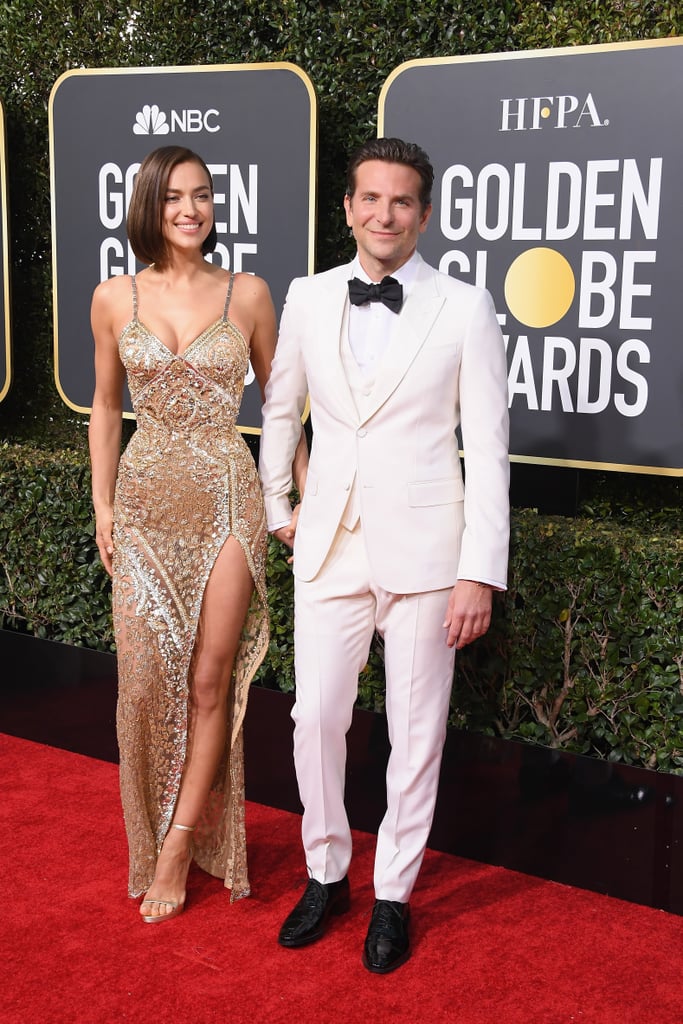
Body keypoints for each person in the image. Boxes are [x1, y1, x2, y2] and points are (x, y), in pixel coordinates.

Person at [258, 137, 510, 972]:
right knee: (313, 720)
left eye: (402, 202)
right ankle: (326, 870)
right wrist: (278, 509)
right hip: (328, 546)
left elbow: (488, 447)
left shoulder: (465, 307)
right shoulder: (305, 296)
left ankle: (394, 891)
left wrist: (479, 568)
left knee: (415, 733)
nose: (384, 214)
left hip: (429, 555)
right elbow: (280, 410)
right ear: (348, 207)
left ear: (424, 214)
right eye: (370, 198)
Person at [89, 145, 305, 923]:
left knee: (211, 681)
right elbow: (107, 408)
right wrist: (104, 506)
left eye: (203, 195)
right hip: (144, 503)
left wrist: (299, 501)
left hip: (226, 497)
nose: (191, 209)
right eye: (176, 196)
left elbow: (281, 411)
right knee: (145, 683)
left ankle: (180, 844)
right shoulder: (114, 298)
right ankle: (153, 830)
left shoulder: (247, 294)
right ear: (150, 204)